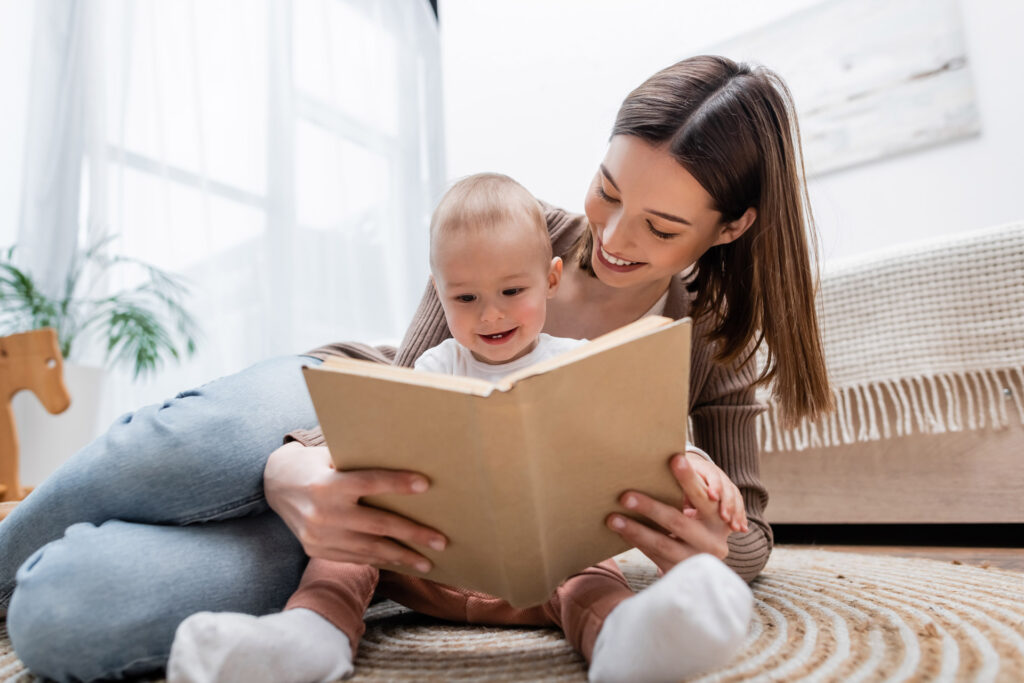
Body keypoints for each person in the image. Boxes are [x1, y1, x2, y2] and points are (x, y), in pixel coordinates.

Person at [1, 55, 831, 682]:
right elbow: (404, 387)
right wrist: (297, 464)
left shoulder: (712, 338)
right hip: (336, 414)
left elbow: (752, 536)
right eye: (607, 189)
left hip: (401, 538)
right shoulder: (510, 231)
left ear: (728, 229)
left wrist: (709, 543)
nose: (613, 237)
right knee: (192, 443)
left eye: (659, 225)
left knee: (66, 612)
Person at [166, 172, 753, 683]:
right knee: (345, 556)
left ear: (551, 278)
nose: (490, 313)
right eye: (465, 297)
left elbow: (647, 441)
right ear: (438, 292)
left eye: (512, 292)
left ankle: (629, 641)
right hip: (422, 565)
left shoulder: (576, 359)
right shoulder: (435, 364)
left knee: (591, 578)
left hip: (544, 574)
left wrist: (696, 466)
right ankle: (307, 638)